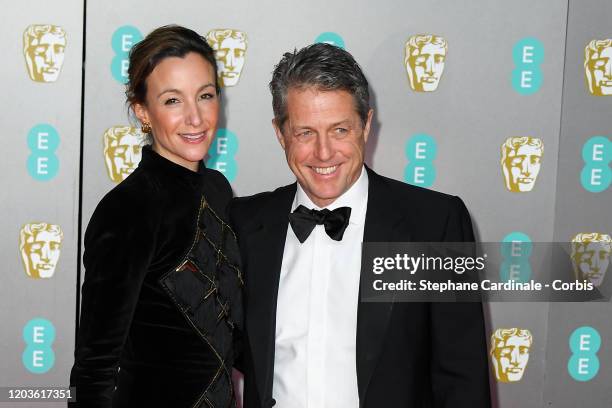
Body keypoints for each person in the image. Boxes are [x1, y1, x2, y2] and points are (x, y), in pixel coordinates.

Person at [230, 43, 490, 407]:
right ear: (280, 133)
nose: (324, 153)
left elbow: (463, 378)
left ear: (366, 125)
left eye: (339, 130)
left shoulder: (434, 223)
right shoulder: (243, 224)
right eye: (305, 132)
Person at [70, 25, 243, 407]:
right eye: (172, 101)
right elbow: (95, 366)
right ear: (142, 111)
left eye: (205, 95)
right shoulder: (128, 209)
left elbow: (230, 327)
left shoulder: (217, 189)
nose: (195, 118)